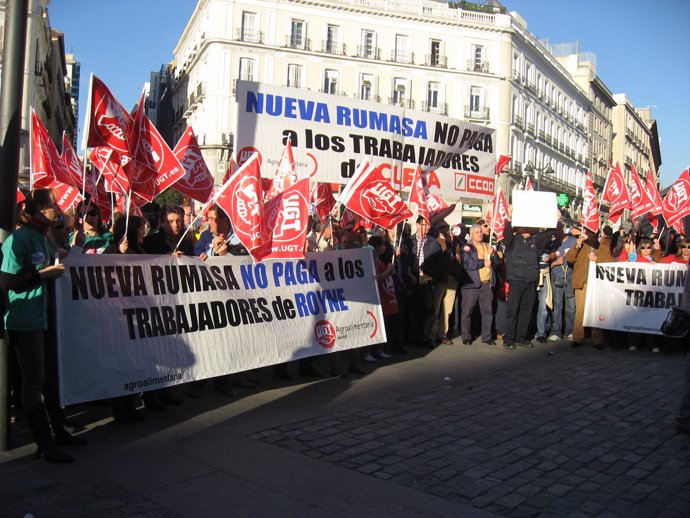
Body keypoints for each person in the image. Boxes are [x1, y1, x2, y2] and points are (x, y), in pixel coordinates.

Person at [1, 188, 86, 463]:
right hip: (25, 322)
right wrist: (42, 274)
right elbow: (7, 282)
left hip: (46, 318)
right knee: (33, 383)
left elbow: (54, 262)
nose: (57, 209)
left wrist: (73, 251)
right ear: (38, 209)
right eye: (52, 206)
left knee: (52, 380)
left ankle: (58, 431)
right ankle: (44, 443)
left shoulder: (43, 238)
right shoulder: (18, 240)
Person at [105, 216, 148, 423]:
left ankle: (130, 405)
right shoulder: (113, 249)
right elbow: (100, 271)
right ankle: (119, 408)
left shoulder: (140, 250)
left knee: (134, 362)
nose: (144, 232)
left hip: (136, 315)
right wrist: (118, 254)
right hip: (118, 317)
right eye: (141, 228)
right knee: (121, 363)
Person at [501, 220, 561, 349]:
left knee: (526, 310)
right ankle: (509, 338)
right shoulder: (513, 240)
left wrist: (554, 219)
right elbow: (506, 233)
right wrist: (509, 219)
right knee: (513, 310)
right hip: (516, 280)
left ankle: (521, 337)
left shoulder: (535, 241)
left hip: (530, 279)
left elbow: (549, 234)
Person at [459, 224, 498, 345]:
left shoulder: (487, 246)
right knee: (467, 311)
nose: (480, 234)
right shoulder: (467, 247)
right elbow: (468, 264)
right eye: (476, 232)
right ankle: (466, 336)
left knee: (487, 311)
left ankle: (487, 336)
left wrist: (493, 254)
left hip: (486, 283)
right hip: (472, 284)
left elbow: (495, 263)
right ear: (471, 234)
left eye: (481, 231)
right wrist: (483, 263)